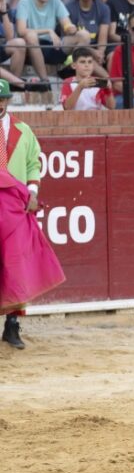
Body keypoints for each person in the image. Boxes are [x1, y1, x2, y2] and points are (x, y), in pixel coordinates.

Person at [1, 78, 65, 350]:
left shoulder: (23, 130)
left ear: (8, 101)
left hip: (15, 206)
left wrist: (33, 191)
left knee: (16, 265)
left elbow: (33, 164)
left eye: (1, 99)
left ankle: (13, 325)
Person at [16, 0, 90, 83]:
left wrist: (70, 28)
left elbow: (66, 23)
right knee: (30, 36)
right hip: (31, 50)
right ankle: (45, 80)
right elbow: (21, 31)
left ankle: (70, 70)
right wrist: (49, 31)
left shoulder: (55, 0)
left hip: (53, 45)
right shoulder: (24, 2)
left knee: (84, 35)